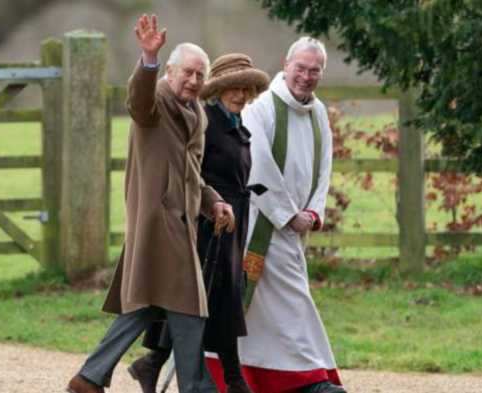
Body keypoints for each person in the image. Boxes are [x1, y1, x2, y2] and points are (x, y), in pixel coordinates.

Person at [66, 14, 235, 393]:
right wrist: (148, 60)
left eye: (199, 75)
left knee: (149, 304)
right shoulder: (156, 101)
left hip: (181, 223)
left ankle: (90, 377)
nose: (193, 80)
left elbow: (191, 172)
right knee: (190, 305)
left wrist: (215, 203)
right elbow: (137, 102)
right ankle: (196, 387)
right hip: (158, 222)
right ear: (170, 72)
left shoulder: (196, 115)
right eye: (187, 73)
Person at [127, 54, 270, 393]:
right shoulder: (207, 121)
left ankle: (152, 362)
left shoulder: (237, 123)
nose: (240, 94)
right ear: (218, 90)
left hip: (233, 217)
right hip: (208, 222)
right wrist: (208, 206)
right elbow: (191, 172)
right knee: (206, 296)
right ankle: (232, 379)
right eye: (233, 87)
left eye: (246, 88)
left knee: (217, 295)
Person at [235, 37, 347, 393]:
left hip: (297, 228)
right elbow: (257, 167)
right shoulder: (262, 108)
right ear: (286, 65)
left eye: (314, 70)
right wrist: (287, 214)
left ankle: (247, 380)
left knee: (265, 311)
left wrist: (313, 211)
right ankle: (313, 381)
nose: (306, 76)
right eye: (300, 68)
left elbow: (324, 166)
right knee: (291, 301)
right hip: (262, 226)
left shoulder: (318, 113)